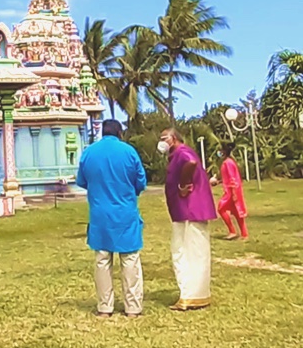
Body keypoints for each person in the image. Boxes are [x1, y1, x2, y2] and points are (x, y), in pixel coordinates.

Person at [76, 119, 148, 318]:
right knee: (130, 259)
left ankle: (104, 307)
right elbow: (140, 182)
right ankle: (132, 307)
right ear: (120, 133)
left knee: (102, 260)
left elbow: (82, 181)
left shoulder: (89, 153)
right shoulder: (129, 152)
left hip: (100, 214)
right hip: (125, 213)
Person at [159, 128, 218, 311]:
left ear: (173, 138)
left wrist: (183, 185)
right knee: (196, 251)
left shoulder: (183, 152)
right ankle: (198, 294)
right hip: (187, 211)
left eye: (164, 138)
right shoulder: (178, 153)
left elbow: (190, 163)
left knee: (185, 251)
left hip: (188, 211)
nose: (161, 142)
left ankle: (190, 296)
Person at [215, 143, 249, 240]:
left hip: (231, 191)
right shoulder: (229, 162)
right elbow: (227, 178)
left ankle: (232, 231)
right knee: (236, 211)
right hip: (232, 189)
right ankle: (244, 234)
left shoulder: (227, 163)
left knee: (221, 209)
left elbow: (232, 178)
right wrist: (218, 182)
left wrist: (233, 193)